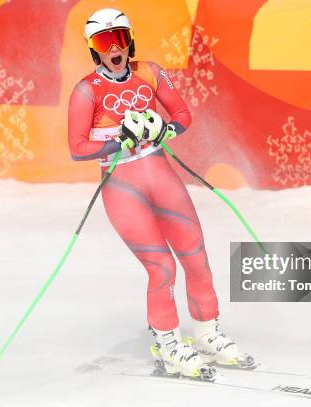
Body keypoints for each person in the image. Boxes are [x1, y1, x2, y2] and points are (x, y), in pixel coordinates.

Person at [68, 8, 254, 380]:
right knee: (162, 267)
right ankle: (167, 343)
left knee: (196, 256)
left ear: (130, 40)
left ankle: (206, 334)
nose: (114, 48)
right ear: (94, 50)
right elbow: (77, 147)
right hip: (123, 188)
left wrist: (163, 128)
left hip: (163, 176)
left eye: (120, 38)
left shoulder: (149, 72)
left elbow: (183, 114)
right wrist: (119, 136)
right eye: (104, 42)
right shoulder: (87, 90)